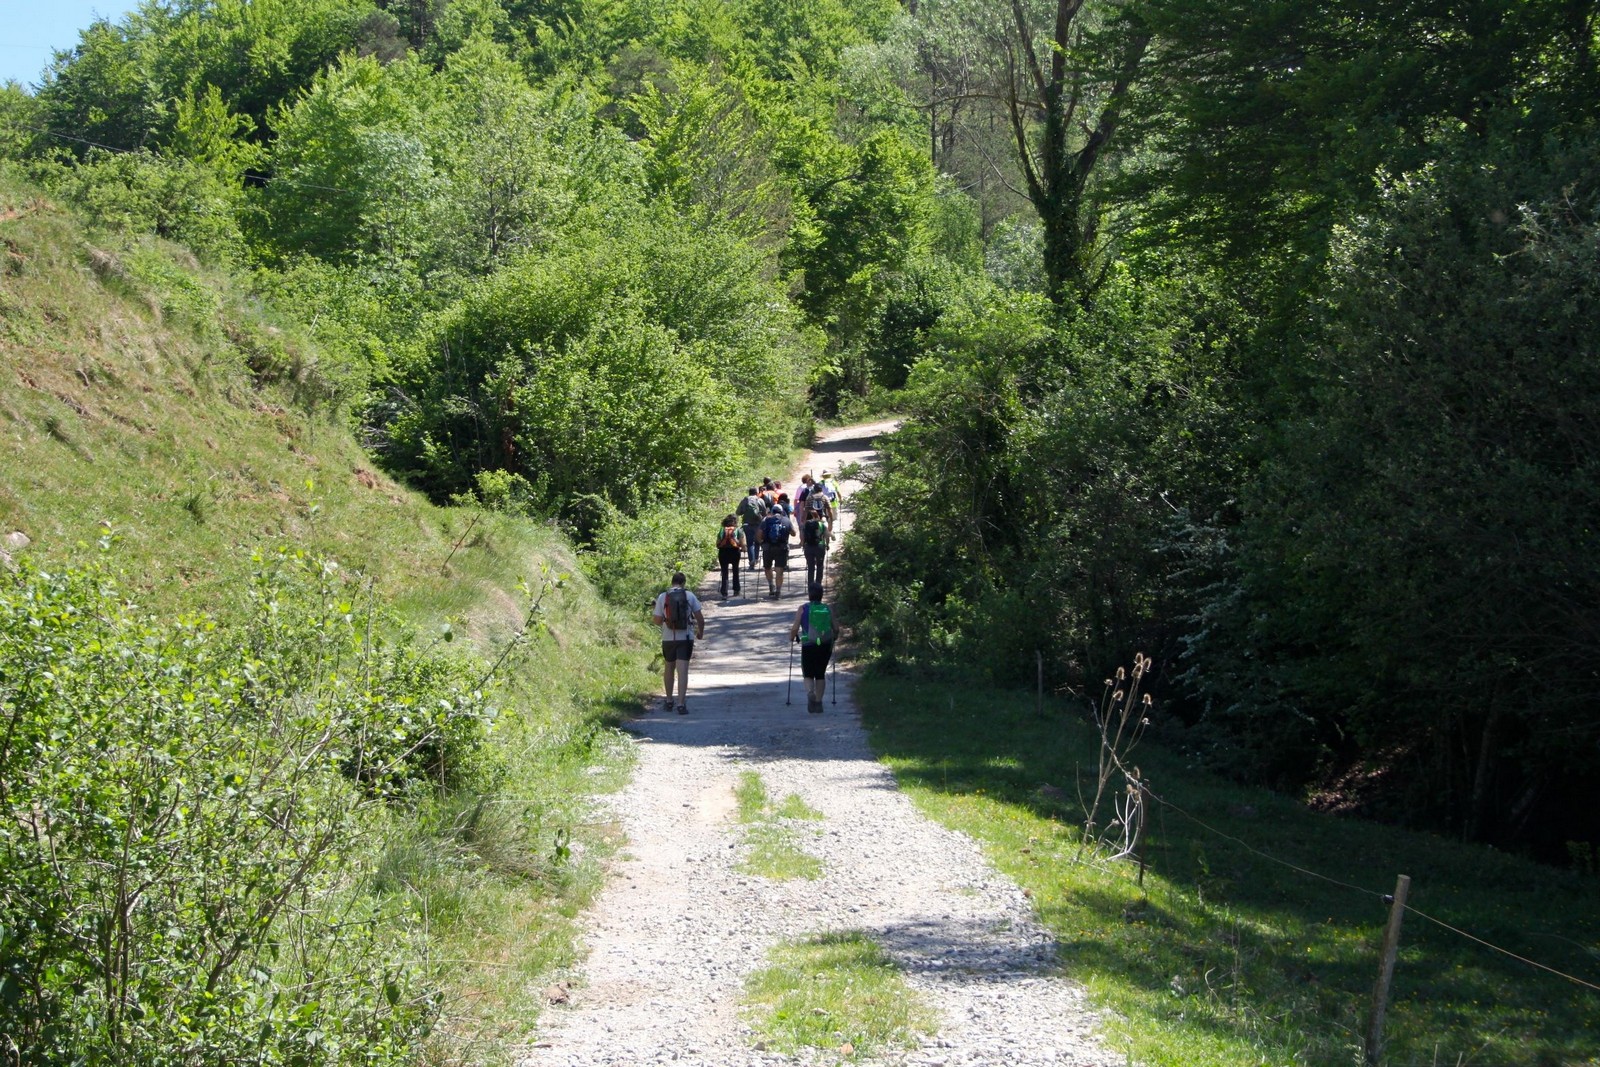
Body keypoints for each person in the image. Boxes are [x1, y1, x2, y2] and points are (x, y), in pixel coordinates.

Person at [652, 572, 705, 714]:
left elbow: (657, 620)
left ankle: (669, 701)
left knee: (669, 668)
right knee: (682, 671)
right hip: (685, 638)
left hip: (668, 638)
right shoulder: (689, 596)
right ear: (683, 583)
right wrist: (700, 633)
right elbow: (700, 619)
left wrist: (663, 616)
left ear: (672, 582)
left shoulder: (663, 597)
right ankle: (681, 704)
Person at [788, 584, 836, 714]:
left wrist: (792, 637)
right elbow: (836, 628)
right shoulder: (827, 608)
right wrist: (835, 636)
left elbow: (795, 628)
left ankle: (810, 692)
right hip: (825, 644)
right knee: (820, 674)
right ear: (821, 595)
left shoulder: (803, 609)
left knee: (808, 673)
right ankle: (819, 703)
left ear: (809, 595)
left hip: (808, 644)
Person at [760, 503, 794, 598]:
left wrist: (761, 542)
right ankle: (778, 591)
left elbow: (759, 535)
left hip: (768, 548)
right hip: (782, 548)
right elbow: (794, 533)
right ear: (782, 512)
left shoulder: (765, 520)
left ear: (772, 511)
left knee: (767, 567)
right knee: (779, 570)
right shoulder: (786, 520)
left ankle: (771, 585)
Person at [800, 498, 831, 591]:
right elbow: (827, 535)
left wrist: (803, 545)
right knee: (820, 566)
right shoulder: (821, 524)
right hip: (820, 546)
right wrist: (827, 544)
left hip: (808, 547)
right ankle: (818, 584)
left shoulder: (805, 525)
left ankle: (810, 586)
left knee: (810, 567)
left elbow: (802, 537)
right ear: (817, 516)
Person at [735, 487, 766, 571]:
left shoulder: (745, 500)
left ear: (749, 493)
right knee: (757, 542)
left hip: (747, 524)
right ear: (757, 493)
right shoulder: (760, 500)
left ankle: (751, 562)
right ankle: (756, 559)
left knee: (750, 543)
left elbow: (738, 512)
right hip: (758, 524)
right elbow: (764, 512)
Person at [715, 513, 746, 598]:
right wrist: (744, 548)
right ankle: (736, 590)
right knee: (735, 571)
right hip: (735, 552)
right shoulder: (739, 530)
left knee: (724, 572)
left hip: (723, 552)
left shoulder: (722, 530)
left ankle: (724, 593)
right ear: (736, 521)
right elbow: (743, 544)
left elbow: (717, 544)